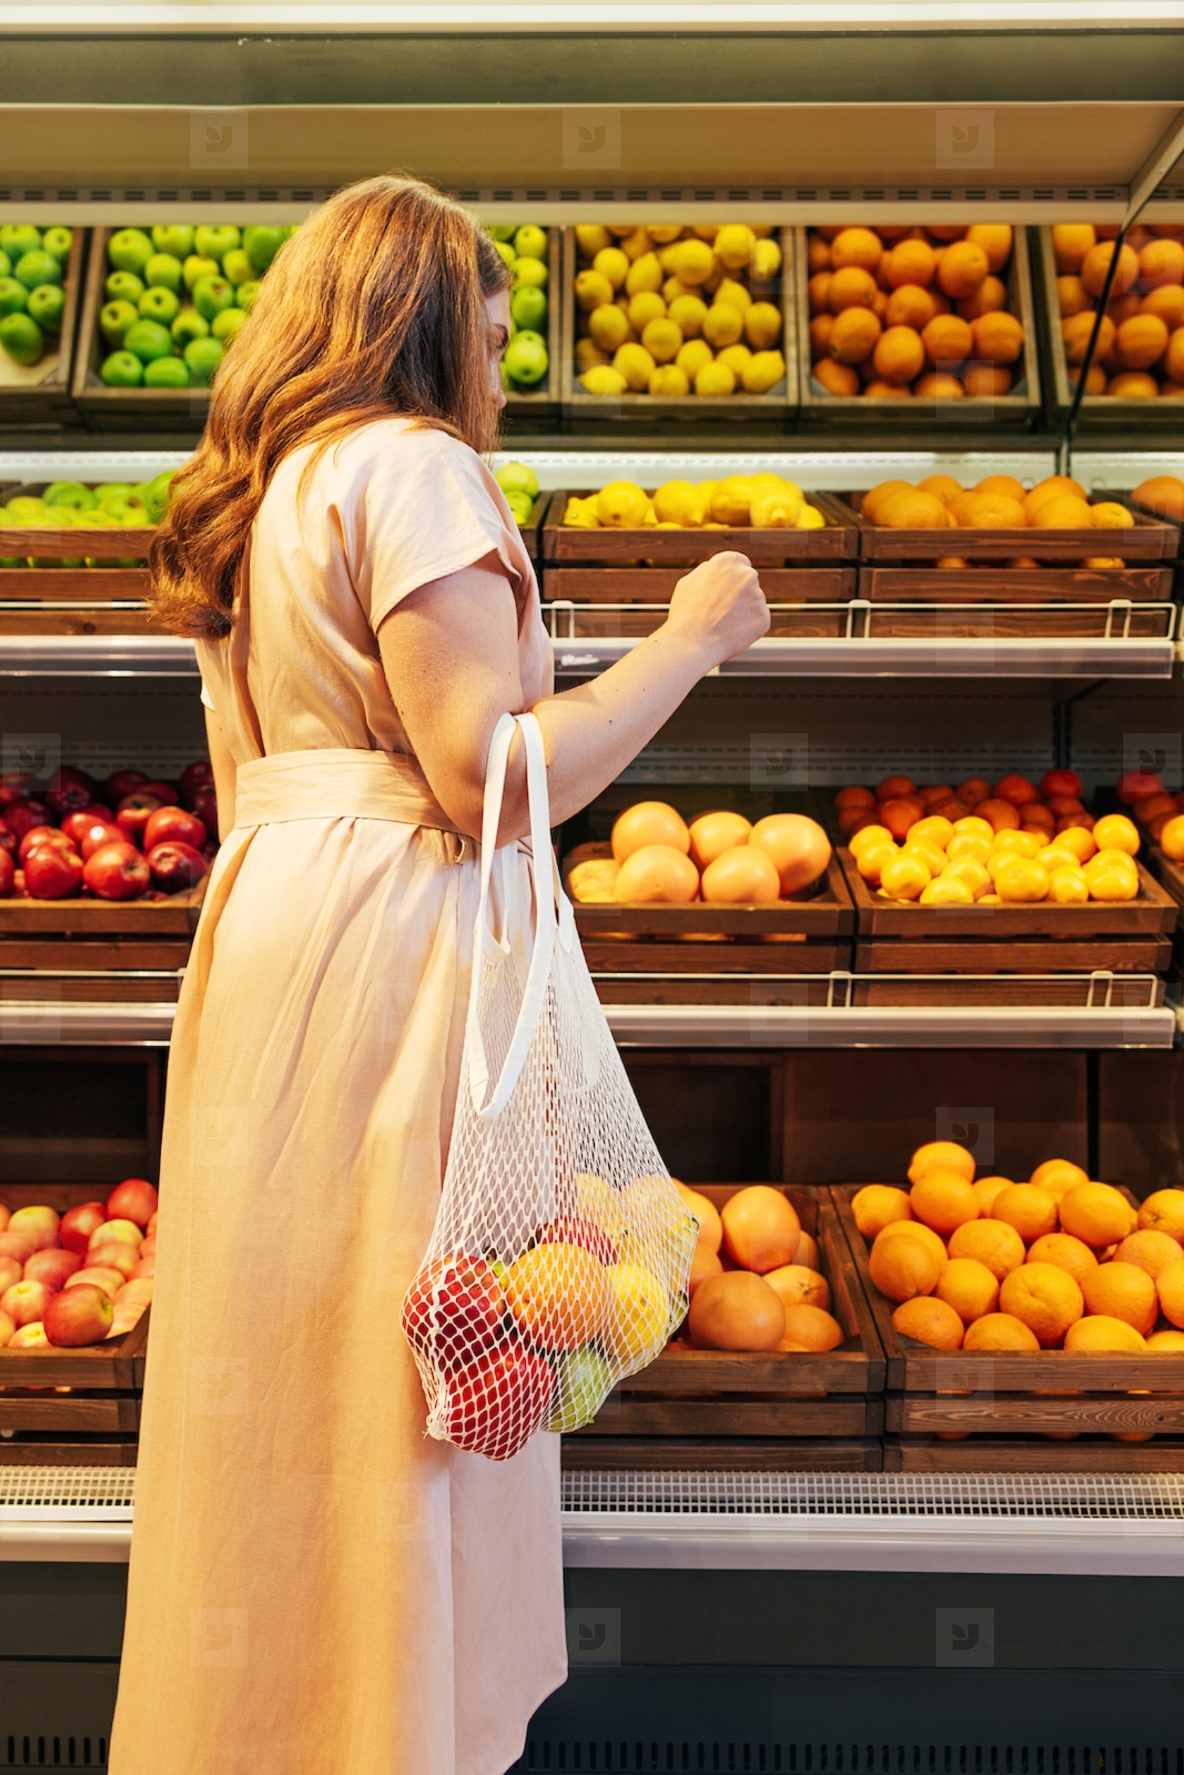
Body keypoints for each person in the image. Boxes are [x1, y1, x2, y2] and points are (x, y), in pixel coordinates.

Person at [108, 174, 768, 1775]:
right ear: (427, 321)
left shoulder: (263, 494)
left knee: (288, 1383)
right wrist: (690, 641)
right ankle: (384, 1733)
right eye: (489, 324)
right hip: (392, 959)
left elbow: (274, 777)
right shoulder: (413, 469)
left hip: (276, 941)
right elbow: (488, 774)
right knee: (406, 1374)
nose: (502, 359)